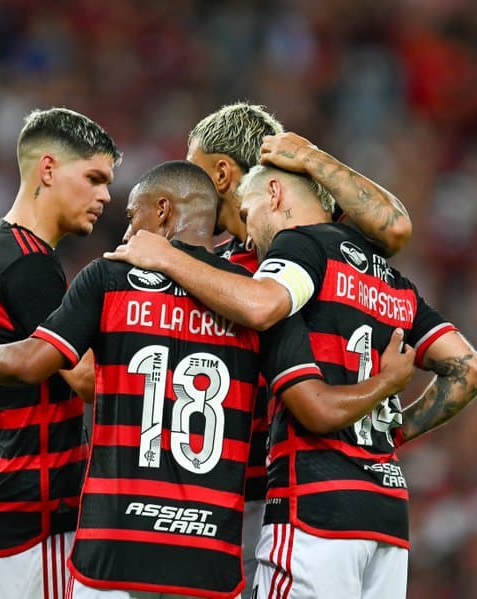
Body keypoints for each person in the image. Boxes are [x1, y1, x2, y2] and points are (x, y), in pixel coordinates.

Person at [0, 161, 417, 599]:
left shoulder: (107, 279)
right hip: (208, 558)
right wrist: (385, 384)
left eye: (132, 217)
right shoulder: (255, 307)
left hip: (112, 550)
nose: (127, 233)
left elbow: (31, 363)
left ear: (162, 212)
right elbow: (316, 408)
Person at [105, 164, 477, 598]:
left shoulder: (298, 245)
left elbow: (264, 311)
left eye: (248, 215)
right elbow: (470, 372)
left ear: (274, 194)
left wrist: (165, 255)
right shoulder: (391, 280)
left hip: (315, 508)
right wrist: (392, 430)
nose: (248, 237)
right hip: (387, 519)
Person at [178, 102, 416, 595]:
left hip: (287, 492)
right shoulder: (209, 267)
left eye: (191, 167)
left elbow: (394, 227)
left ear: (220, 172)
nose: (186, 184)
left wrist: (309, 157)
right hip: (226, 490)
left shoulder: (313, 248)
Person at [0, 107, 121, 599]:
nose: (105, 196)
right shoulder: (30, 264)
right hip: (34, 511)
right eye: (92, 178)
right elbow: (87, 380)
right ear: (48, 170)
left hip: (4, 498)